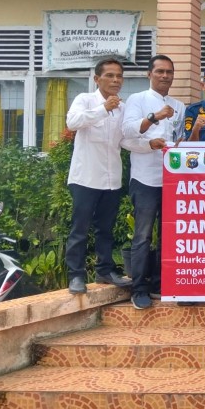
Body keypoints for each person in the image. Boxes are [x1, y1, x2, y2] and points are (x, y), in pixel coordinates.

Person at [64, 59, 139, 294]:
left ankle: (105, 270)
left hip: (111, 178)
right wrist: (103, 108)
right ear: (97, 79)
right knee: (80, 228)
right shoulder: (85, 100)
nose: (115, 80)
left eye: (119, 76)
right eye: (109, 75)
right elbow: (73, 122)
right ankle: (76, 276)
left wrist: (152, 144)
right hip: (85, 177)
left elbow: (125, 140)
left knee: (105, 229)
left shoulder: (124, 107)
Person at [122, 55, 185, 310]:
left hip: (171, 180)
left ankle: (162, 283)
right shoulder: (137, 100)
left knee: (169, 235)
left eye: (169, 72)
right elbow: (127, 134)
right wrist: (155, 117)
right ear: (150, 74)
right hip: (145, 178)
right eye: (160, 71)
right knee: (142, 236)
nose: (165, 76)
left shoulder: (179, 105)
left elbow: (180, 139)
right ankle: (139, 288)